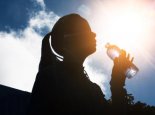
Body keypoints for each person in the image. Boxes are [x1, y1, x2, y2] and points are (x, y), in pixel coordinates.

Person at [28, 14, 133, 115]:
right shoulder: (49, 77)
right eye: (85, 30)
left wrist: (117, 83)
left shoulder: (94, 90)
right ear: (67, 39)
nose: (94, 34)